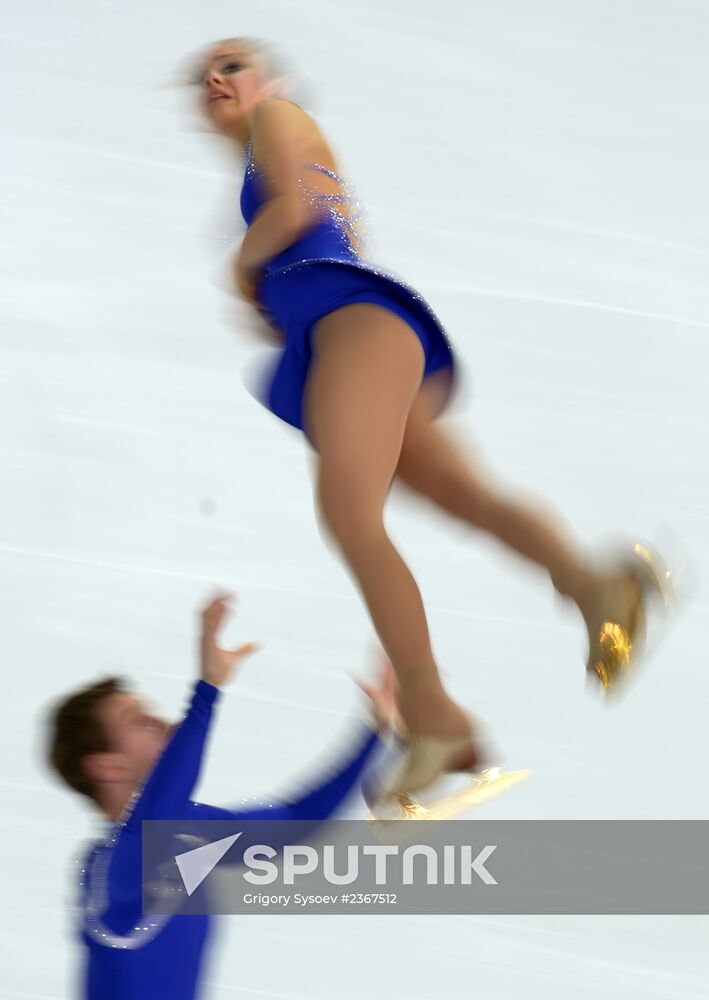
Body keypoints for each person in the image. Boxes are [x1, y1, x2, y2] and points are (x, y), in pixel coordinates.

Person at [190, 37, 668, 802]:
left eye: (234, 64)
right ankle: (593, 587)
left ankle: (430, 710)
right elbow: (312, 224)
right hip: (351, 335)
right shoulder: (265, 149)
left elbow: (297, 209)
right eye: (202, 74)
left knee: (350, 517)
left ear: (270, 81)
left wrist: (240, 269)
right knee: (459, 494)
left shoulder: (277, 116)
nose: (214, 77)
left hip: (353, 326)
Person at [47, 594, 393, 1000]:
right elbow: (155, 816)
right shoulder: (110, 868)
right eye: (140, 722)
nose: (162, 722)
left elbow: (299, 818)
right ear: (108, 767)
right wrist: (206, 692)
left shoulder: (191, 833)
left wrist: (375, 730)